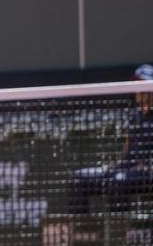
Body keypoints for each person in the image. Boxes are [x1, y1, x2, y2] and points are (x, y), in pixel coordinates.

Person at [66, 65, 153, 214]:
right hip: (126, 170)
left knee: (117, 181)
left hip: (147, 173)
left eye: (143, 84)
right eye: (137, 84)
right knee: (78, 179)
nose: (139, 89)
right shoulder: (134, 117)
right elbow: (127, 148)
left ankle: (120, 233)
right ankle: (82, 231)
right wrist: (113, 166)